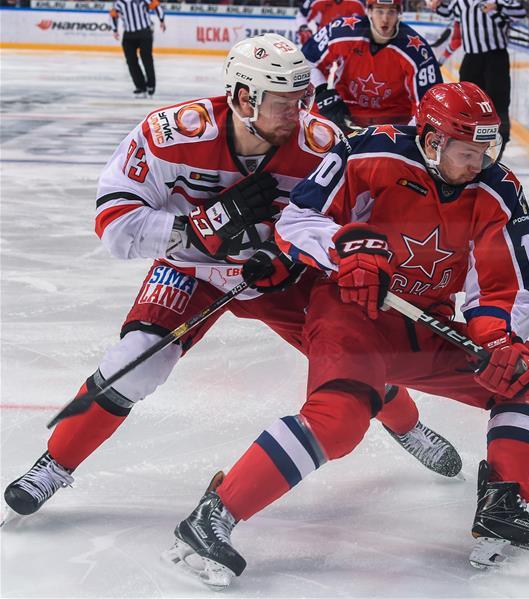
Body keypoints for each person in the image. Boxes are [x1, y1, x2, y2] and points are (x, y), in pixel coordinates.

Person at [3, 34, 461, 522]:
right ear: (245, 97)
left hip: (280, 278)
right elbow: (115, 227)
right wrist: (199, 231)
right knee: (136, 363)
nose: (300, 113)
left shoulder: (321, 145)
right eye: (286, 102)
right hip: (192, 271)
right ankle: (53, 464)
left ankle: (406, 425)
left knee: (357, 357)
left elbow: (346, 224)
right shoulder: (172, 134)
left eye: (303, 99)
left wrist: (304, 253)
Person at [164, 82, 529, 589]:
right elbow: (297, 219)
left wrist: (498, 342)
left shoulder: (497, 188)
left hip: (425, 323)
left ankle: (503, 504)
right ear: (432, 141)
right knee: (337, 423)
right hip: (351, 314)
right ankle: (213, 516)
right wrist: (345, 251)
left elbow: (511, 282)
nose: (481, 163)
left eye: (488, 150)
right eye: (469, 152)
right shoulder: (370, 151)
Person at [301, 0, 442, 131]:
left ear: (399, 13)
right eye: (379, 11)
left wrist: (408, 135)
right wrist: (322, 93)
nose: (385, 19)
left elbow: (429, 105)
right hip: (346, 113)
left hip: (396, 122)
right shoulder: (341, 31)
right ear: (368, 11)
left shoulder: (416, 50)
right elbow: (306, 61)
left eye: (391, 11)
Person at [430, 0, 527, 157]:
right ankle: (464, 139)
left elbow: (520, 13)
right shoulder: (460, 2)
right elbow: (447, 12)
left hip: (495, 57)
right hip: (472, 58)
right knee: (465, 101)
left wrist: (498, 6)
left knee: (498, 101)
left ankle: (499, 142)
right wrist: (436, 5)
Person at [110, 0, 166, 98]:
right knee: (131, 61)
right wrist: (115, 30)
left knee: (147, 58)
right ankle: (140, 86)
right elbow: (113, 15)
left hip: (144, 32)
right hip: (128, 34)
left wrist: (161, 20)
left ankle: (151, 85)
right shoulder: (119, 3)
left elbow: (156, 6)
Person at [295, 0, 366, 45]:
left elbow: (366, 23)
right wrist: (303, 27)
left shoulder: (357, 3)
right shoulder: (317, 2)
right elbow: (302, 14)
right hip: (323, 42)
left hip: (349, 42)